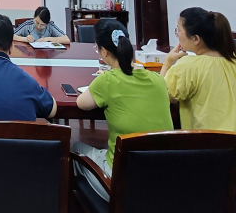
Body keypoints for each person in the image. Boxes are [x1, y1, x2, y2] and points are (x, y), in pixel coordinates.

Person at [74, 20, 173, 202]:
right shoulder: (158, 80)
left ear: (104, 52)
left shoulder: (107, 81)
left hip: (122, 185)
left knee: (75, 148)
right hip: (162, 182)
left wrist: (103, 80)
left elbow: (82, 103)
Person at [161, 8, 236, 131]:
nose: (177, 35)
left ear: (196, 39)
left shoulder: (188, 65)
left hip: (207, 140)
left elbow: (162, 95)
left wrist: (168, 61)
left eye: (179, 30)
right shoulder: (232, 60)